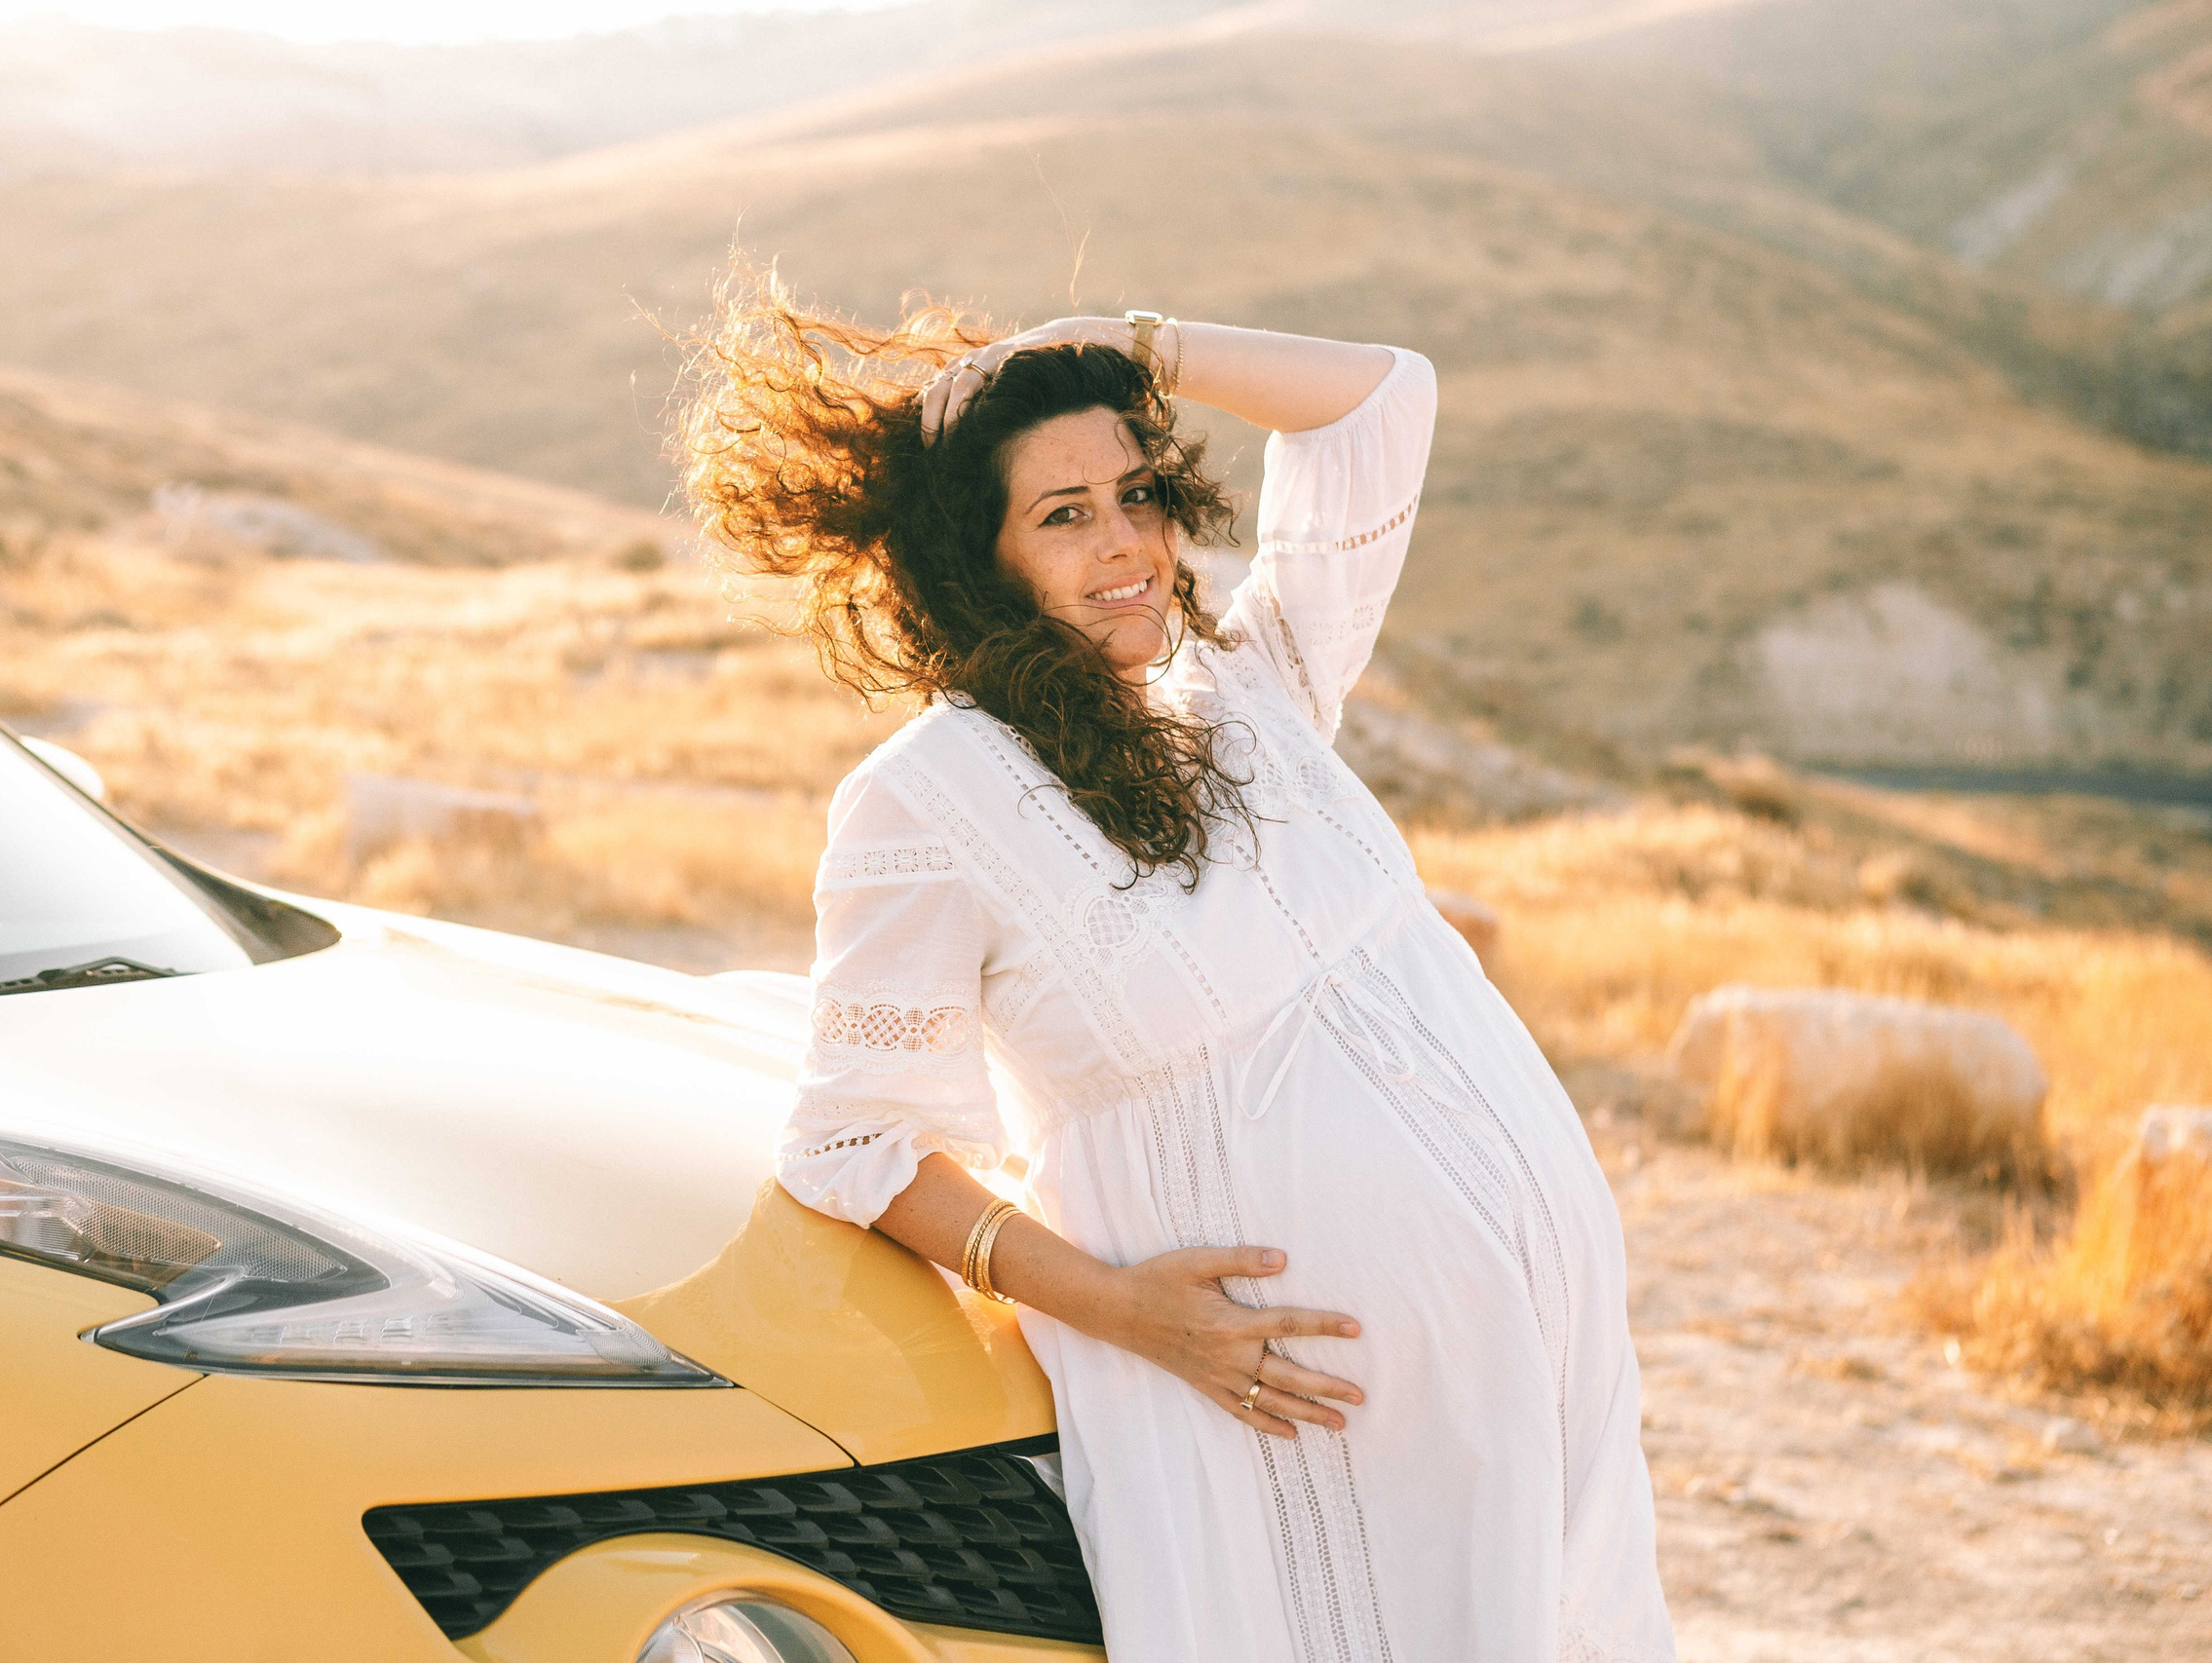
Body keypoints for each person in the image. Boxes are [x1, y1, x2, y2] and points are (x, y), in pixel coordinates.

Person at [676, 276, 1675, 1663]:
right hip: (1285, 1408)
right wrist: (1125, 1312)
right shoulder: (931, 797)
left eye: (1138, 494)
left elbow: (1386, 400)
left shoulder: (1250, 683)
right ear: (983, 557)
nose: (1126, 545)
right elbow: (853, 1143)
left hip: (1533, 1357)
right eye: (1063, 516)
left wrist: (1132, 341)